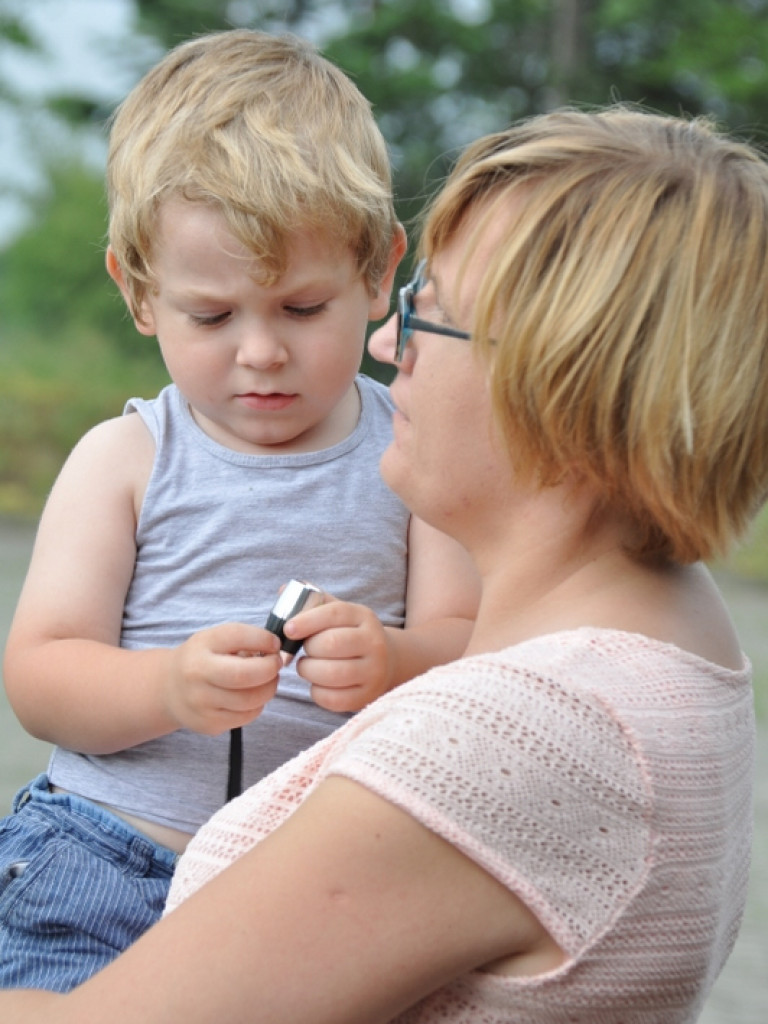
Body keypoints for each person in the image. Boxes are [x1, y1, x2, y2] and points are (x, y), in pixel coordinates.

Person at [1, 102, 764, 1023]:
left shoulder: (523, 737)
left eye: (426, 316)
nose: (382, 345)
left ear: (557, 382)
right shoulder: (671, 642)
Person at [0, 29, 480, 992]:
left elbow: (467, 642)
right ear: (139, 291)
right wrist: (167, 688)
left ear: (379, 271)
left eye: (303, 309)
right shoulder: (127, 460)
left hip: (307, 891)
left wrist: (391, 662)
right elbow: (42, 675)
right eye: (212, 316)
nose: (260, 352)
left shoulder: (411, 455)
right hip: (104, 859)